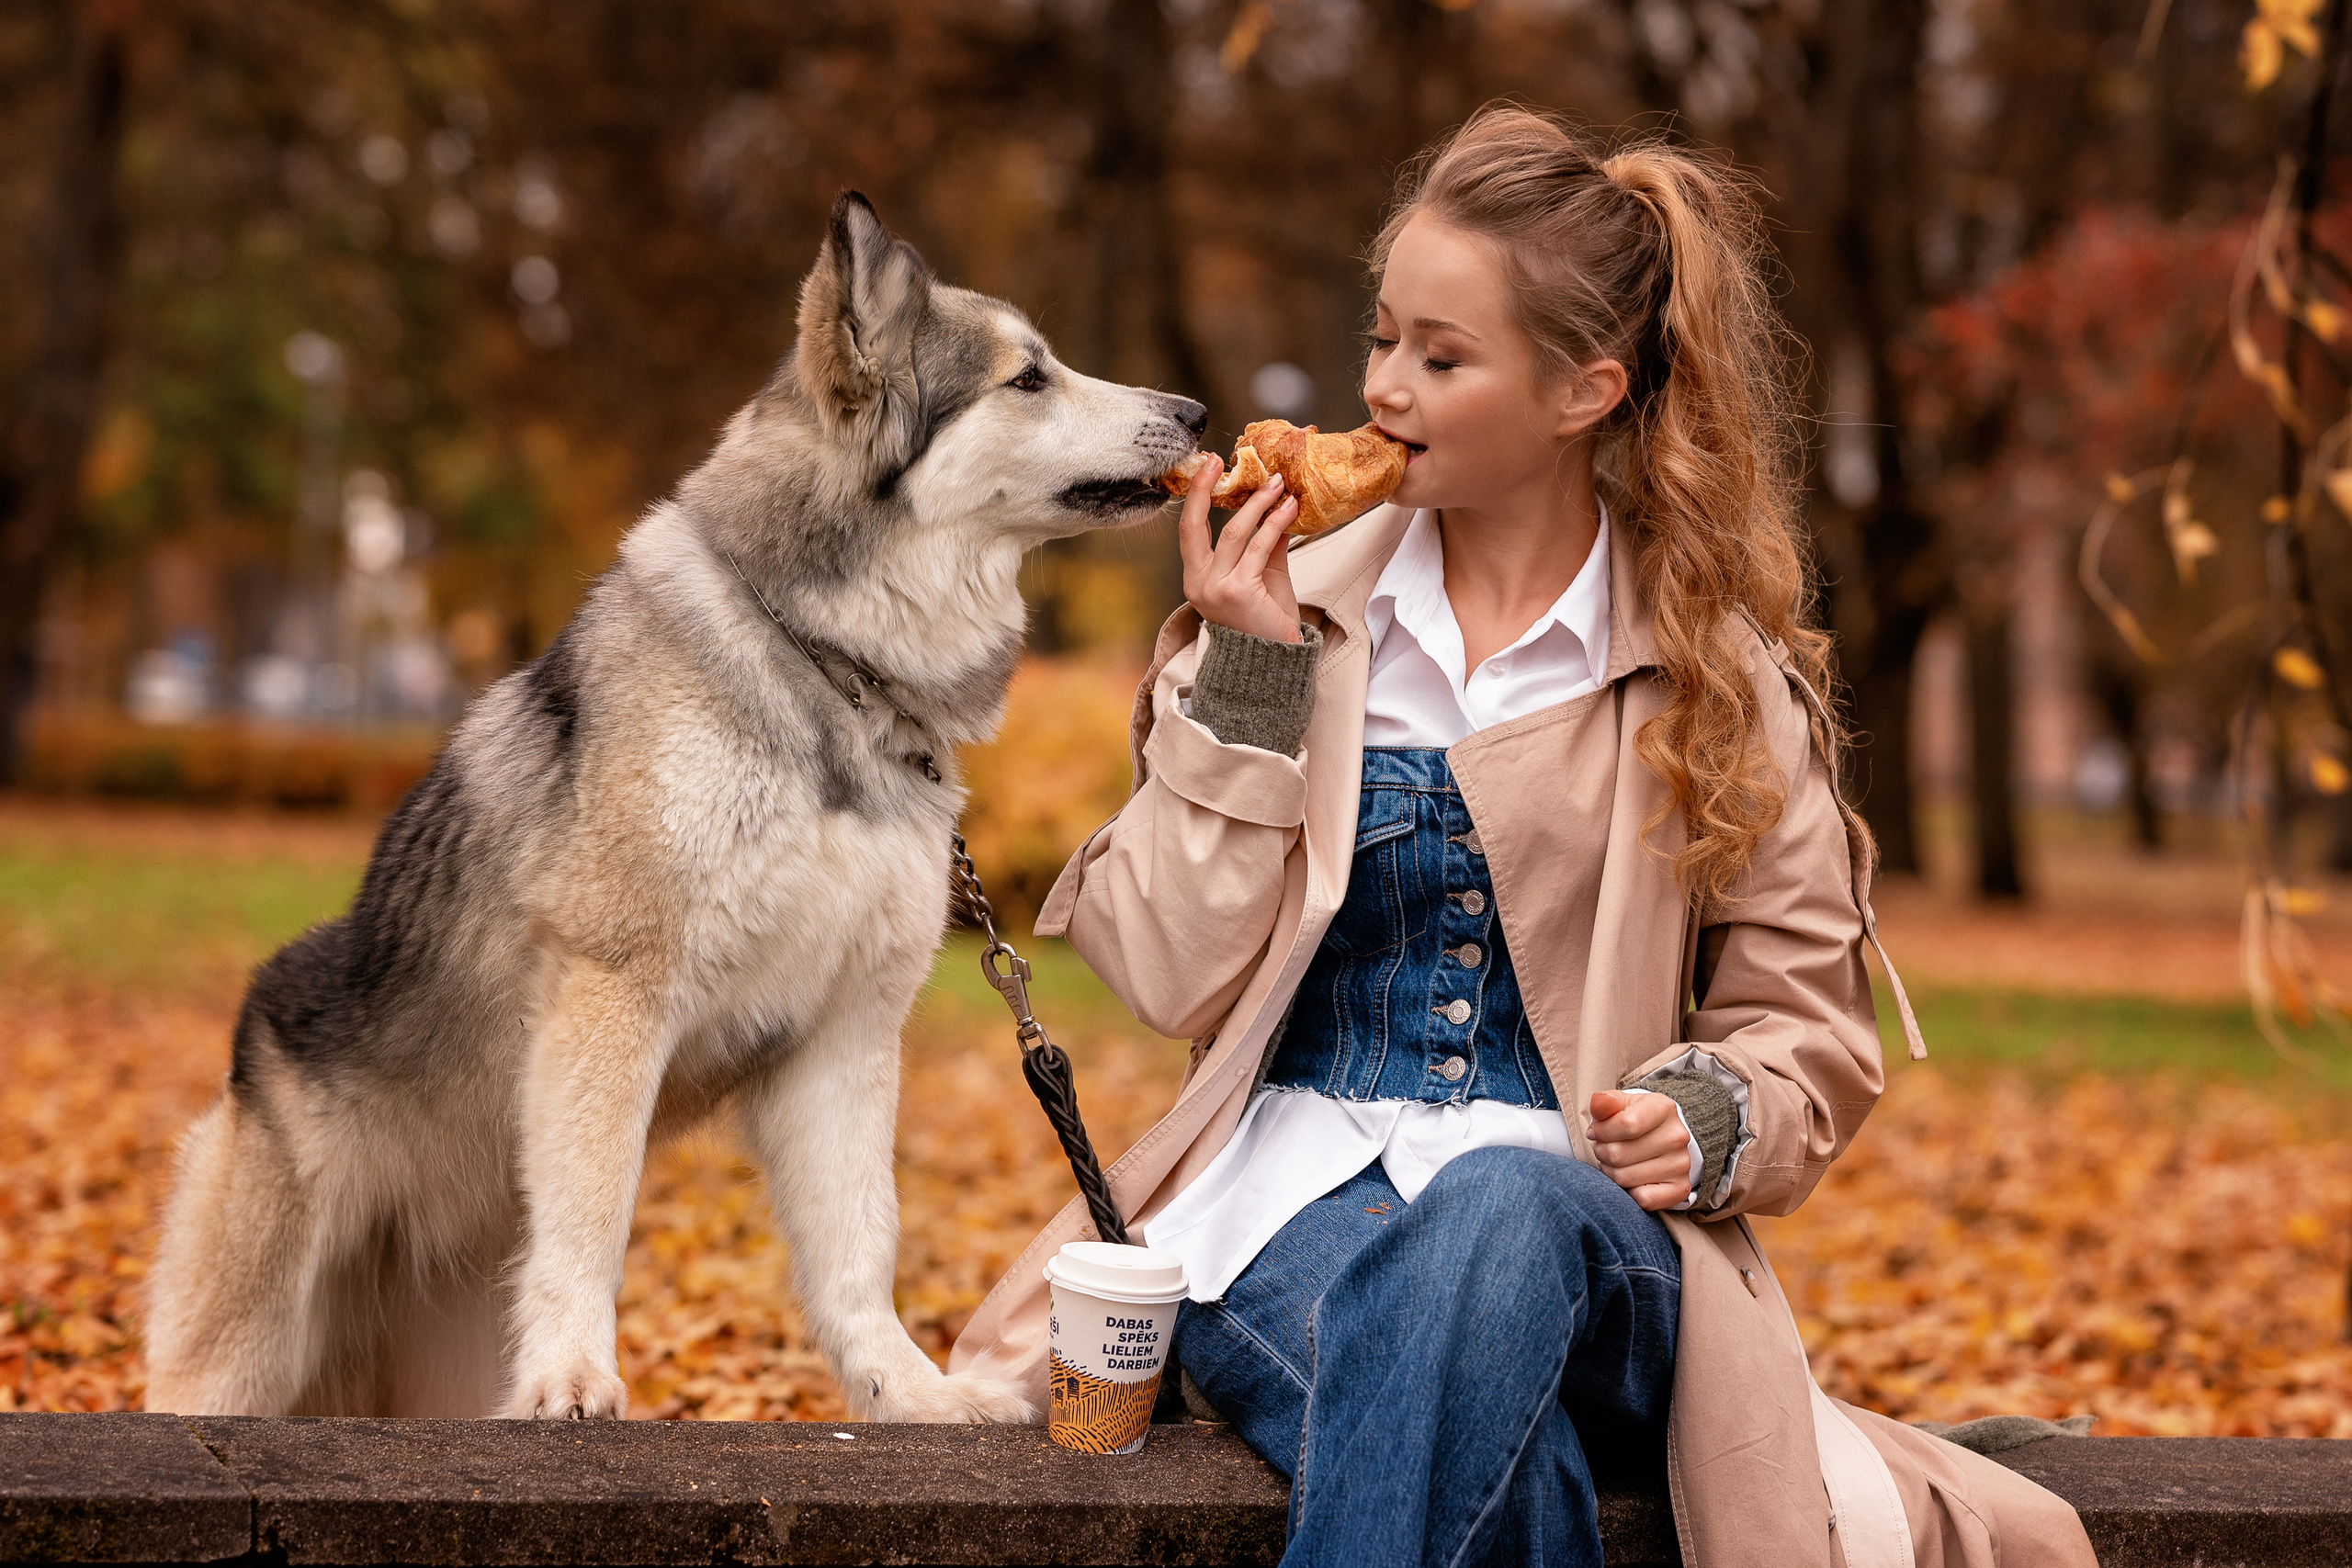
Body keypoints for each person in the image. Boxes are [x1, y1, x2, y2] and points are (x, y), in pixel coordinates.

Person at [951, 107, 2095, 1568]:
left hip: (1592, 1241)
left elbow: (1802, 1027)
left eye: (1442, 356)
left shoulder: (1712, 676)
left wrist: (1713, 1113)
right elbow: (1171, 978)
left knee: (1499, 1208)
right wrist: (1249, 684)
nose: (1383, 387)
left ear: (1584, 391)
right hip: (1279, 1222)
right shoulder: (1273, 619)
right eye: (1380, 342)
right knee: (1508, 1472)